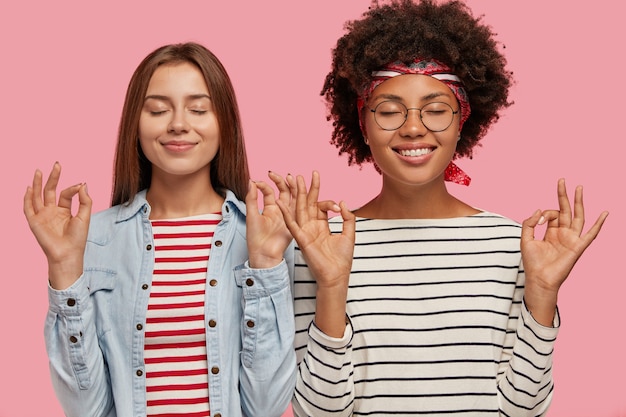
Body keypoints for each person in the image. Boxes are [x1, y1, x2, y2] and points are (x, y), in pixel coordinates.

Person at [271, 1, 609, 416]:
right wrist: (332, 285)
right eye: (390, 111)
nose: (413, 127)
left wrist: (542, 293)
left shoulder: (513, 245)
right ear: (362, 123)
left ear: (463, 119)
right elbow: (320, 411)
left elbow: (524, 409)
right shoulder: (319, 246)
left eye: (435, 110)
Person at [23, 42, 296, 417]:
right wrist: (65, 268)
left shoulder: (264, 236)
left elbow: (266, 408)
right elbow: (86, 409)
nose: (178, 123)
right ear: (135, 122)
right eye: (157, 109)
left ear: (225, 123)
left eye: (199, 109)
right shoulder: (92, 239)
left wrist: (265, 264)